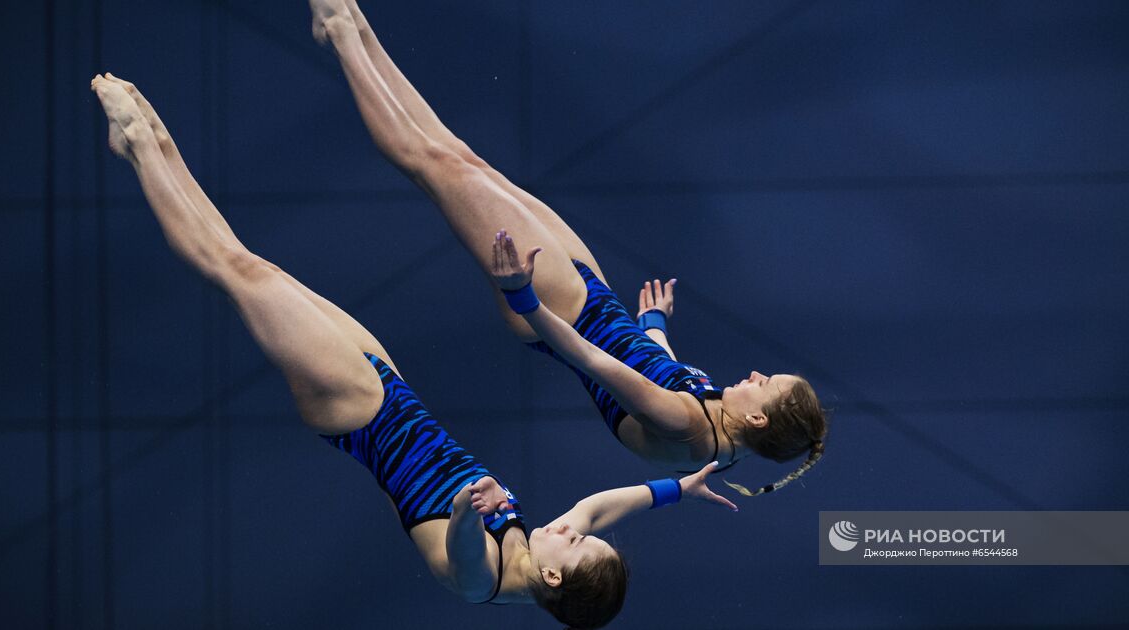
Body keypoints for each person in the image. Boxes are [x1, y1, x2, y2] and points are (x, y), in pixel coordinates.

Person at [90, 73, 736, 628]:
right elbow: (605, 505)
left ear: (554, 581)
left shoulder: (484, 580)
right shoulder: (537, 550)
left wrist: (462, 510)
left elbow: (459, 554)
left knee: (240, 273)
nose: (573, 526)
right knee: (258, 271)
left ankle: (145, 145)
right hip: (388, 389)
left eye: (574, 544)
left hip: (359, 413)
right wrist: (679, 486)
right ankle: (144, 147)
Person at [310, 0, 828, 495]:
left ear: (758, 417)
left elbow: (592, 360)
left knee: (435, 165)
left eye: (766, 383)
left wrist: (522, 297)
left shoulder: (690, 427)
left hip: (562, 308)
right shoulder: (726, 433)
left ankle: (341, 34)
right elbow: (655, 369)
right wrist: (655, 325)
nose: (757, 374)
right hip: (593, 297)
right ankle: (353, 27)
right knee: (464, 160)